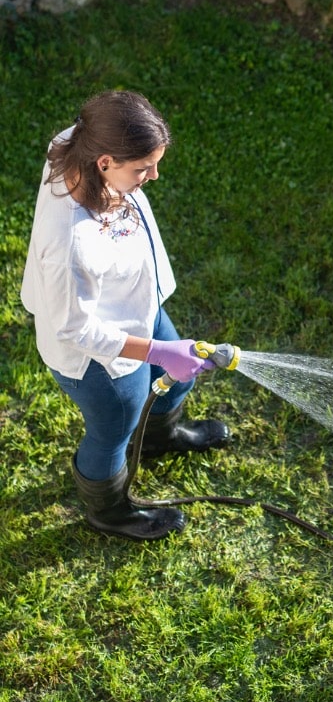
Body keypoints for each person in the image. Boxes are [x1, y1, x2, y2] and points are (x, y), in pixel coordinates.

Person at [21, 90, 230, 542]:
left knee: (181, 376)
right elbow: (74, 327)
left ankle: (158, 439)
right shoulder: (70, 244)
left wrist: (160, 346)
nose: (153, 176)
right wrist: (157, 350)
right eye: (142, 168)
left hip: (133, 307)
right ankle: (109, 511)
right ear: (105, 162)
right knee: (115, 427)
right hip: (95, 357)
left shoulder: (78, 143)